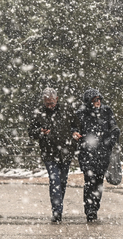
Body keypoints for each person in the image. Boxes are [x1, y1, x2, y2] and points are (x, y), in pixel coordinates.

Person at [28, 88, 77, 223]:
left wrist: (75, 134)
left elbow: (75, 126)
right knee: (54, 181)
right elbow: (31, 132)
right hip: (49, 153)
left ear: (57, 99)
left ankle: (57, 207)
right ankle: (57, 212)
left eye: (52, 103)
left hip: (66, 152)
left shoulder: (67, 110)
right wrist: (41, 132)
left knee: (62, 182)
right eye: (47, 103)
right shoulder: (39, 114)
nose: (50, 106)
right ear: (43, 101)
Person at [72, 88, 120, 222]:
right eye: (94, 100)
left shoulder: (106, 111)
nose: (98, 102)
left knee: (99, 182)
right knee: (89, 181)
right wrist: (75, 134)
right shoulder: (80, 113)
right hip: (87, 152)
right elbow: (73, 127)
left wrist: (109, 143)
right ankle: (90, 210)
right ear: (88, 101)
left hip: (103, 153)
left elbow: (115, 129)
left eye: (99, 99)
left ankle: (95, 207)